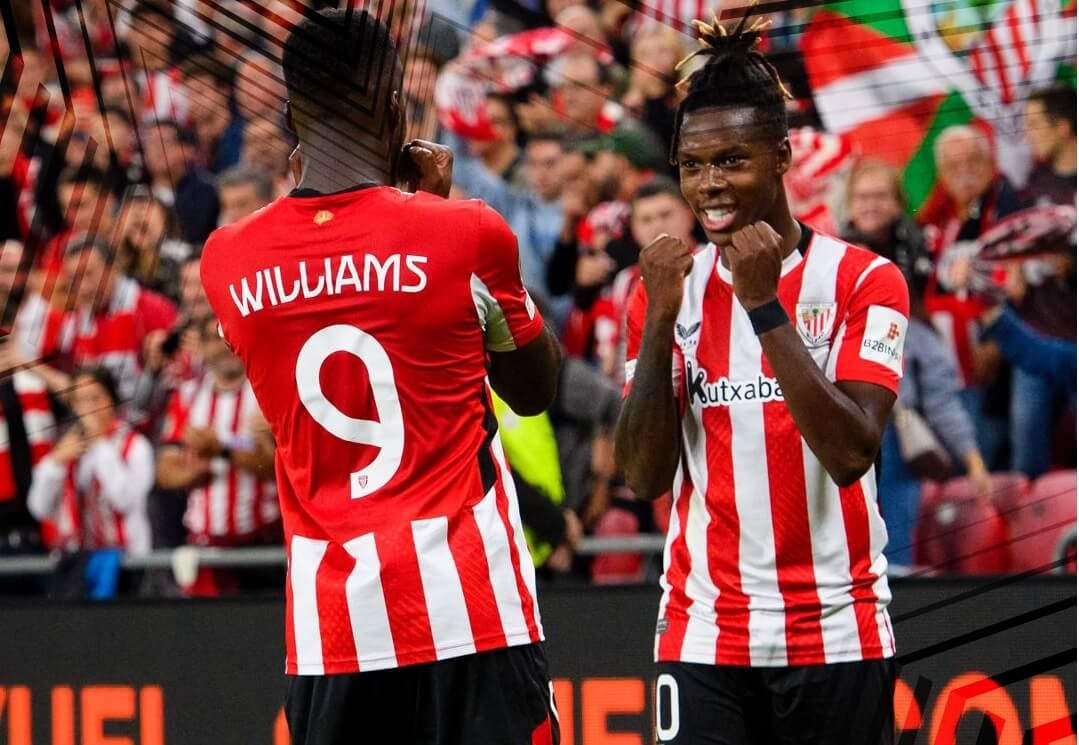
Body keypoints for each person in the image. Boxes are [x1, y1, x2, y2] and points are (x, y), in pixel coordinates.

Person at [198, 9, 562, 745]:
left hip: (332, 631)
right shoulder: (464, 232)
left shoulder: (227, 259)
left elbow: (330, 273)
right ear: (395, 106)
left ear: (292, 111)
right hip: (471, 612)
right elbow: (533, 389)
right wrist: (426, 203)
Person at [614, 12, 907, 745]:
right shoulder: (662, 287)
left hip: (836, 632)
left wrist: (761, 304)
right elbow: (643, 475)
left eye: (732, 161)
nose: (708, 185)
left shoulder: (864, 279)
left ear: (781, 157)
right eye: (692, 165)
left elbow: (849, 453)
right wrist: (658, 320)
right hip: (703, 632)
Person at [156, 314, 279, 592]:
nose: (223, 346)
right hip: (207, 546)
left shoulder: (266, 391)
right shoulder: (187, 396)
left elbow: (276, 467)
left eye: (229, 337)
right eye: (213, 339)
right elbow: (164, 471)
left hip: (262, 545)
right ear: (199, 346)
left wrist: (223, 448)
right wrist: (191, 474)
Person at [27, 366, 154, 557]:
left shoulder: (136, 447)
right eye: (80, 401)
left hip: (128, 562)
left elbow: (124, 499)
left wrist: (100, 443)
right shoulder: (71, 447)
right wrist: (55, 462)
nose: (89, 409)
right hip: (80, 562)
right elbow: (40, 508)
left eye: (95, 398)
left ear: (112, 401)